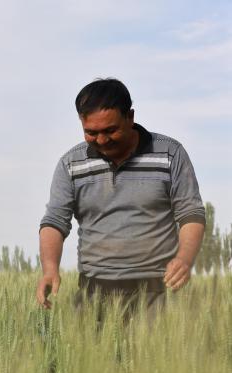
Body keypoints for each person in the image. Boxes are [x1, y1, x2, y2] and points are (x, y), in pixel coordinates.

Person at [36, 78, 205, 319]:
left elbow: (191, 214)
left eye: (110, 130)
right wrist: (50, 269)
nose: (102, 140)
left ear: (130, 117)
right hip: (93, 296)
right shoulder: (70, 164)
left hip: (158, 295)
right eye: (91, 133)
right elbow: (54, 222)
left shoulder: (170, 153)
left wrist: (184, 260)